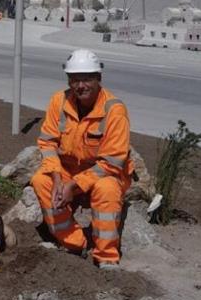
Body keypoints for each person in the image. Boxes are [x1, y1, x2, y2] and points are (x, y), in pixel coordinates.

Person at [31, 49, 133, 269]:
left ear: (98, 79)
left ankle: (106, 256)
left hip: (103, 173)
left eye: (86, 79)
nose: (80, 85)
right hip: (68, 170)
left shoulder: (114, 110)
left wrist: (73, 186)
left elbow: (112, 163)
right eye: (75, 79)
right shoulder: (59, 101)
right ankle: (74, 242)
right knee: (41, 180)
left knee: (107, 189)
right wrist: (58, 178)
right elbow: (47, 143)